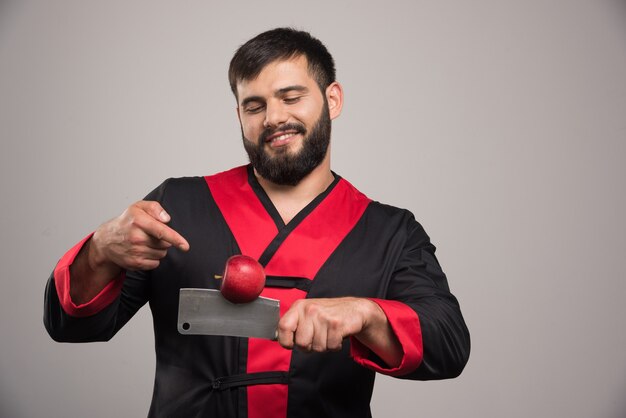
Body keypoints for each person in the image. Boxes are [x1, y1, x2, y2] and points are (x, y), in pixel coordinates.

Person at [44, 28, 470, 417]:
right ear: (240, 117)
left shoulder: (389, 231)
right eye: (254, 105)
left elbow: (449, 345)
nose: (273, 118)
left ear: (332, 99)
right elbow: (71, 326)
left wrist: (367, 314)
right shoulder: (178, 205)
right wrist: (100, 250)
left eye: (291, 97)